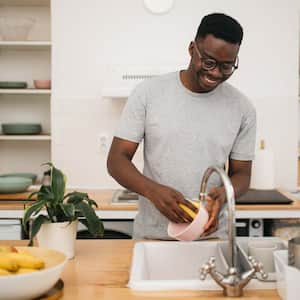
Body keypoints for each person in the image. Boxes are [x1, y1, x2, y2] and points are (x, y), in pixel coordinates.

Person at [107, 13, 256, 240]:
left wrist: (225, 193)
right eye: (208, 62)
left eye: (227, 67)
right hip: (153, 237)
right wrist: (152, 191)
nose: (215, 73)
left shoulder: (242, 108)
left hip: (213, 237)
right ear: (191, 49)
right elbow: (117, 160)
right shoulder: (148, 93)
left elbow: (242, 174)